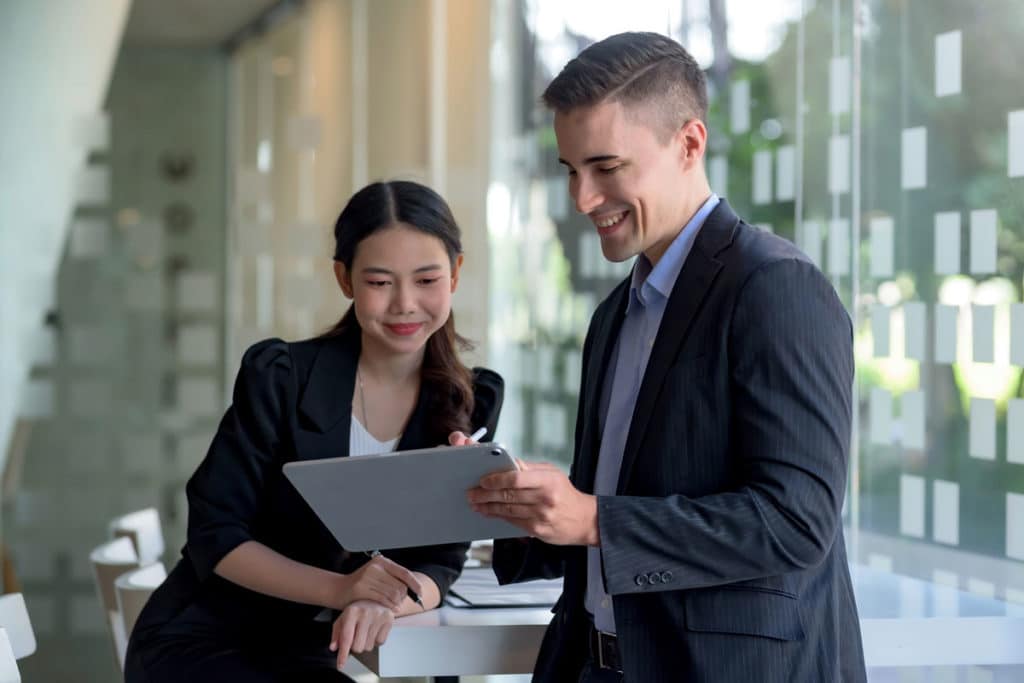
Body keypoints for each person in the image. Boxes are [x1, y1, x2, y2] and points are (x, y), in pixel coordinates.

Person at [455, 32, 866, 682]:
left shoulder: (775, 287)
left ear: (690, 143)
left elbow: (796, 519)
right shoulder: (615, 314)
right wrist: (516, 499)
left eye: (607, 167)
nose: (582, 198)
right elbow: (616, 504)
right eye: (570, 170)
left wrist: (593, 517)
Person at [125, 180, 503, 682]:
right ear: (344, 280)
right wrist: (345, 589)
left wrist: (388, 602)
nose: (405, 304)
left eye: (427, 280)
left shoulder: (469, 400)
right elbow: (214, 535)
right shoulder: (281, 376)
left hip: (313, 652)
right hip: (208, 639)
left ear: (455, 274)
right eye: (380, 282)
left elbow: (441, 563)